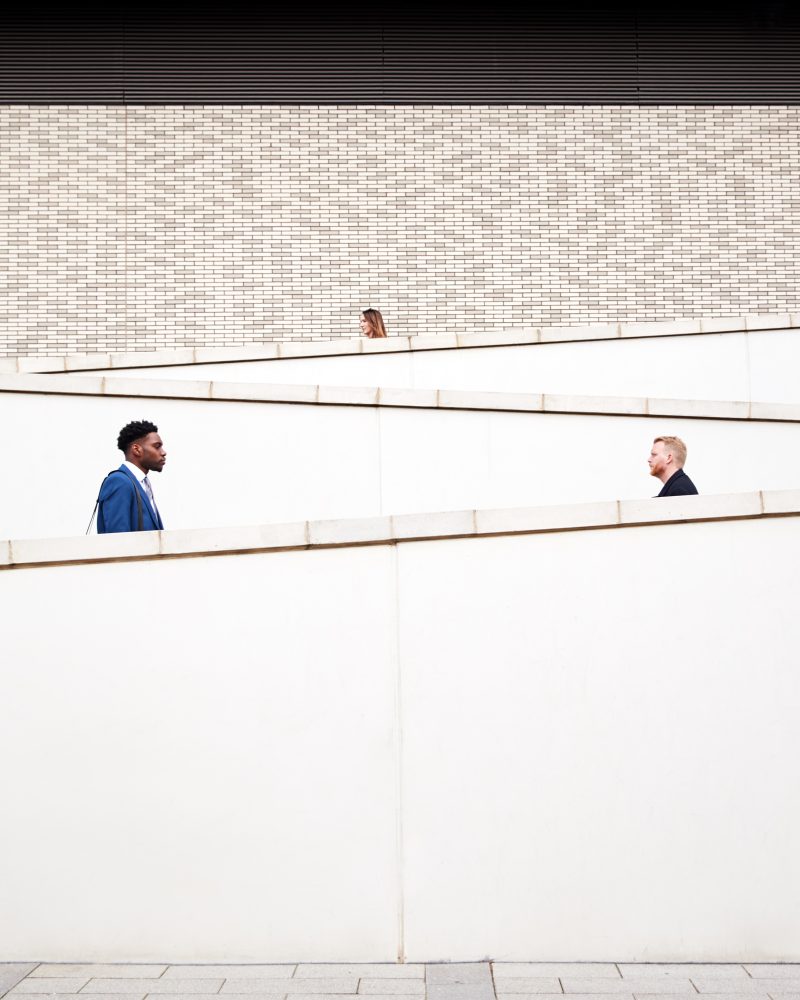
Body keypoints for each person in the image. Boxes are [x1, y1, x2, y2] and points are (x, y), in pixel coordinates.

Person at [96, 420, 167, 532]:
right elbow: (117, 540)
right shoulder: (119, 482)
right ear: (136, 450)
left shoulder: (142, 484)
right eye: (157, 446)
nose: (163, 452)